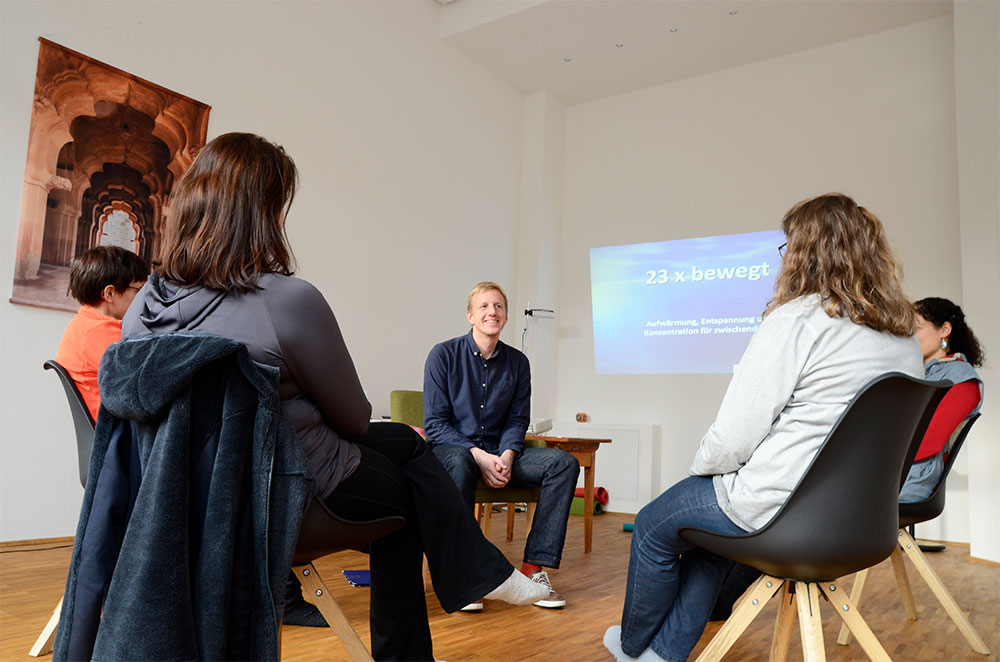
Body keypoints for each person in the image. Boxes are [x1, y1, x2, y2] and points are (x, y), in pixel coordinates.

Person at [121, 132, 547, 662]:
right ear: (264, 212)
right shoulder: (286, 300)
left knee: (407, 447)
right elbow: (354, 417)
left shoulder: (145, 305)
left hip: (183, 494)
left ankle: (478, 571)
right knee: (412, 485)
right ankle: (458, 593)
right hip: (286, 488)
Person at [603, 193, 924, 662]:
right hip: (865, 521)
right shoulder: (903, 338)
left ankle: (632, 649)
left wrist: (704, 471)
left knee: (655, 523)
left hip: (779, 508)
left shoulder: (795, 320)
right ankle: (662, 655)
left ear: (803, 251)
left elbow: (732, 440)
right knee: (709, 545)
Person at [423, 281, 580, 610]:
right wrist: (479, 456)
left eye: (498, 307)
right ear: (470, 316)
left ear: (506, 318)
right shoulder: (443, 355)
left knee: (563, 464)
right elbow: (435, 425)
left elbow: (517, 421)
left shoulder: (519, 363)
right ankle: (467, 576)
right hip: (458, 453)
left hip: (500, 452)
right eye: (483, 306)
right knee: (458, 461)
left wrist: (507, 456)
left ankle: (532, 569)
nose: (491, 312)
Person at [899, 297, 985, 503]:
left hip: (912, 477)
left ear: (945, 329)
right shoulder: (918, 374)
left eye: (917, 327)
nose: (910, 335)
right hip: (891, 472)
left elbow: (929, 442)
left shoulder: (961, 378)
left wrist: (880, 463)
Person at [55, 245, 148, 421]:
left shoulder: (84, 323)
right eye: (139, 290)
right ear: (110, 293)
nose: (143, 298)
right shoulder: (100, 333)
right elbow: (140, 381)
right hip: (116, 434)